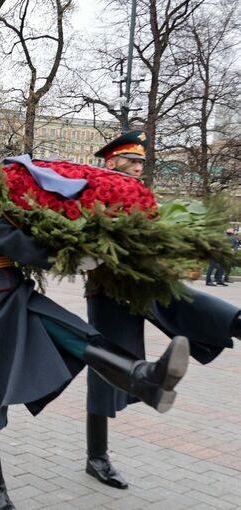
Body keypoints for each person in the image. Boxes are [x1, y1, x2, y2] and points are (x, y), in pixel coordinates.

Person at [0, 113, 190, 509]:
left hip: (9, 292)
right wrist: (68, 256)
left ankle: (144, 377)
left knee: (78, 334)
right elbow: (11, 239)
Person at [82, 132, 241, 490]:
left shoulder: (143, 196)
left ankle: (237, 323)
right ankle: (97, 457)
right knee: (107, 369)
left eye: (141, 161)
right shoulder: (92, 192)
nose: (139, 166)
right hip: (108, 289)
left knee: (192, 304)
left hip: (148, 279)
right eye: (131, 160)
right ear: (110, 162)